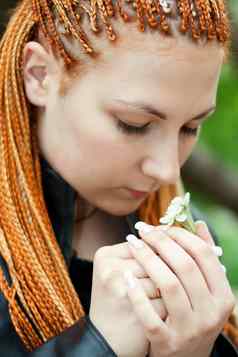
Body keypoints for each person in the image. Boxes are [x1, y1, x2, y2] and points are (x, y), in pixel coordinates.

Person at [0, 0, 237, 355]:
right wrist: (101, 345)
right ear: (39, 75)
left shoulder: (185, 237)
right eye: (134, 125)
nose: (168, 170)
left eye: (191, 127)